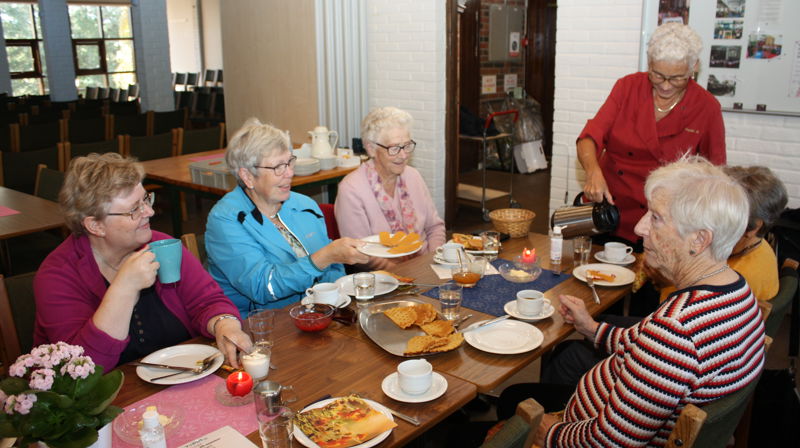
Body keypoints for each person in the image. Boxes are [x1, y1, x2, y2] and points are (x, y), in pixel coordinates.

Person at [497, 157, 765, 447]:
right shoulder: (736, 292)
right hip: (605, 416)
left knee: (511, 405)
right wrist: (591, 328)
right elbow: (648, 348)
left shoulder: (677, 330)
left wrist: (548, 433)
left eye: (656, 217)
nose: (639, 228)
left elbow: (608, 442)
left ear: (699, 240)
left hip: (588, 435)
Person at [33, 153, 250, 371]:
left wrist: (224, 324)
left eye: (146, 199)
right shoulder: (58, 276)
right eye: (134, 209)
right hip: (110, 395)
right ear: (95, 226)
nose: (150, 212)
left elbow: (208, 301)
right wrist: (124, 288)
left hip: (180, 377)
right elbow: (82, 369)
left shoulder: (162, 246)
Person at [577, 22, 726, 246]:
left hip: (662, 220)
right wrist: (593, 171)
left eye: (677, 78)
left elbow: (715, 174)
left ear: (693, 67)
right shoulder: (627, 88)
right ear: (649, 64)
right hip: (610, 208)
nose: (665, 86)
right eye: (657, 75)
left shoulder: (706, 107)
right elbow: (590, 137)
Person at [205, 119, 368, 316]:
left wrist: (332, 297)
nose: (290, 173)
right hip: (261, 326)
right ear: (247, 176)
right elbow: (263, 287)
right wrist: (323, 258)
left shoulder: (304, 205)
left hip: (317, 316)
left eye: (290, 161)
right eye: (278, 167)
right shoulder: (225, 220)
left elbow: (333, 269)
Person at [335, 107, 446, 269]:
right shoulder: (351, 189)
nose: (403, 155)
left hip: (427, 265)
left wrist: (433, 260)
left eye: (407, 146)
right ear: (371, 148)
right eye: (394, 148)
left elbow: (434, 227)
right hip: (383, 277)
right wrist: (404, 275)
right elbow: (359, 251)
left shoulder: (413, 176)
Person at [657, 165, 788, 302]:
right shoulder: (758, 247)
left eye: (720, 217)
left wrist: (669, 280)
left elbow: (677, 311)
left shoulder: (735, 279)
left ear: (753, 227)